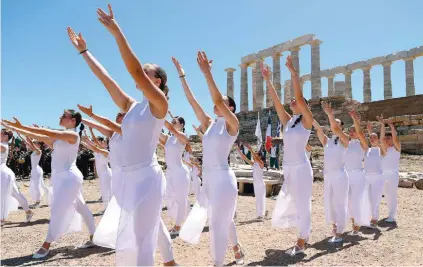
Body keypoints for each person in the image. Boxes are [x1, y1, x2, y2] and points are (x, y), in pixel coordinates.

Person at [68, 5, 176, 264]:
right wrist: (85, 52)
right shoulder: (132, 106)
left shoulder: (159, 105)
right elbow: (107, 81)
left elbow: (135, 71)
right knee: (134, 236)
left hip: (147, 178)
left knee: (141, 242)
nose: (141, 74)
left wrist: (117, 33)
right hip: (128, 179)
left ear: (157, 81)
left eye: (148, 72)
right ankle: (170, 261)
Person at [173, 54, 244, 265]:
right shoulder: (210, 123)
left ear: (230, 107)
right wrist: (182, 76)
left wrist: (207, 74)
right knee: (223, 219)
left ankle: (218, 263)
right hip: (209, 181)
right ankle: (237, 249)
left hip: (223, 179)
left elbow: (215, 100)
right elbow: (192, 101)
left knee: (217, 224)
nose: (217, 103)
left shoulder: (232, 123)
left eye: (222, 101)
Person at [3, 111, 96, 259]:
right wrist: (17, 129)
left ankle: (46, 244)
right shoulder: (60, 139)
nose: (60, 117)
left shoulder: (73, 135)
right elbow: (40, 136)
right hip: (60, 178)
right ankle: (94, 236)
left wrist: (21, 126)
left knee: (57, 210)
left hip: (69, 178)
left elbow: (45, 131)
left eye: (63, 115)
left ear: (72, 120)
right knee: (81, 206)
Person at [262, 56, 313, 256]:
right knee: (291, 201)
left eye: (296, 100)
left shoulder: (306, 121)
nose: (293, 101)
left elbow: (300, 99)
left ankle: (301, 241)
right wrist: (267, 80)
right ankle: (304, 233)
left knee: (302, 202)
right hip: (289, 168)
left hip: (301, 167)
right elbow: (276, 104)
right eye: (291, 100)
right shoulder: (289, 122)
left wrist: (294, 75)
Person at [314, 101, 349, 243]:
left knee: (340, 202)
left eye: (337, 123)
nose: (334, 124)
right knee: (330, 202)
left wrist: (330, 114)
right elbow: (317, 128)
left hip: (340, 175)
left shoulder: (345, 139)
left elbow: (334, 128)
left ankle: (340, 232)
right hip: (328, 176)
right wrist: (307, 114)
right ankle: (334, 228)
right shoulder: (327, 141)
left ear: (341, 127)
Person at [160, 117, 190, 235]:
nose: (171, 123)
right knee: (169, 197)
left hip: (180, 172)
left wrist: (163, 117)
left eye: (174, 122)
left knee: (181, 199)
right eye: (171, 121)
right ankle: (181, 219)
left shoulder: (182, 137)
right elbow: (157, 132)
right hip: (170, 172)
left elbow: (173, 131)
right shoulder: (169, 138)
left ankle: (177, 226)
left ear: (181, 124)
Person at [1, 128, 34, 226]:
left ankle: (1, 218)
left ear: (6, 136)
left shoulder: (3, 146)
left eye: (0, 133)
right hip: (4, 173)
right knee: (16, 194)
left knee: (2, 195)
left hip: (3, 173)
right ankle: (28, 211)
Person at [16, 133, 51, 208]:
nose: (34, 143)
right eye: (34, 142)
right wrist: (20, 135)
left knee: (37, 186)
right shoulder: (35, 150)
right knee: (42, 186)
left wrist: (27, 136)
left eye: (35, 142)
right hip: (35, 170)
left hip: (37, 170)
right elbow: (28, 143)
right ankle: (52, 197)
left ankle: (37, 202)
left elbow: (30, 143)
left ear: (39, 144)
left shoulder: (39, 151)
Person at [365, 117, 387, 228]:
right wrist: (370, 131)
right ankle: (368, 218)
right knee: (368, 199)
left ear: (378, 139)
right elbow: (369, 138)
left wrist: (382, 125)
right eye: (371, 137)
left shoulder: (381, 150)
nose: (372, 139)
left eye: (375, 137)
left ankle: (374, 219)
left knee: (376, 199)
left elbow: (382, 138)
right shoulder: (367, 150)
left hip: (378, 178)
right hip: (367, 178)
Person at [236, 143, 267, 220]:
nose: (254, 156)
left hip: (260, 184)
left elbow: (256, 156)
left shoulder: (261, 164)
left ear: (259, 157)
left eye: (256, 155)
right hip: (256, 184)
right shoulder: (254, 164)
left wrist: (251, 149)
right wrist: (238, 149)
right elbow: (245, 158)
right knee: (257, 199)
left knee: (261, 198)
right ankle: (259, 214)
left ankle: (262, 214)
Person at [380, 116, 401, 223]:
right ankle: (389, 213)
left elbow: (395, 138)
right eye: (386, 138)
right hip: (384, 174)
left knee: (392, 194)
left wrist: (391, 126)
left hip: (393, 174)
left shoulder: (397, 147)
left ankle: (392, 215)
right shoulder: (385, 149)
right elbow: (381, 138)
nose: (386, 140)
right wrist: (383, 124)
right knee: (386, 194)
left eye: (389, 138)